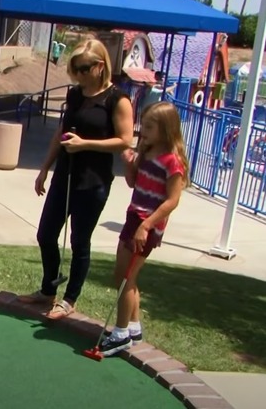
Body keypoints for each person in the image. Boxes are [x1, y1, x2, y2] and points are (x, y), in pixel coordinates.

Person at [17, 39, 134, 319]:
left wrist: (86, 144)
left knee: (80, 241)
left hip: (93, 181)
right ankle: (48, 289)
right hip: (65, 174)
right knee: (46, 234)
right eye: (75, 70)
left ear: (99, 66)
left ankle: (70, 299)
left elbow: (125, 140)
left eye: (83, 69)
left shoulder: (117, 100)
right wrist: (45, 167)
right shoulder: (75, 95)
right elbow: (61, 132)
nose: (79, 75)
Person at [97, 101, 189, 356]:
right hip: (134, 216)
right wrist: (130, 163)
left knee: (124, 276)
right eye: (144, 124)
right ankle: (133, 327)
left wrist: (146, 226)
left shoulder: (173, 161)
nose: (143, 130)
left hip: (148, 224)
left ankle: (120, 333)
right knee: (126, 275)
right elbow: (132, 183)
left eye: (149, 126)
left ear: (167, 129)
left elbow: (172, 200)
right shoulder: (146, 152)